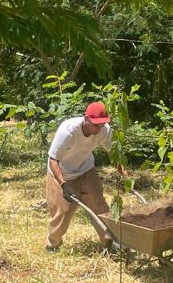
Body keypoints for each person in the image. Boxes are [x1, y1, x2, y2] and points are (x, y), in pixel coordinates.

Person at [45, 101, 124, 251]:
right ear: (86, 118)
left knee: (98, 204)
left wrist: (122, 171)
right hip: (63, 173)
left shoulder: (104, 130)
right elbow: (53, 160)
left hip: (86, 169)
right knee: (64, 211)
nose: (99, 128)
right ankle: (52, 244)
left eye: (102, 125)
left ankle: (110, 241)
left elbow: (112, 154)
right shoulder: (68, 131)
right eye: (96, 125)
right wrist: (63, 184)